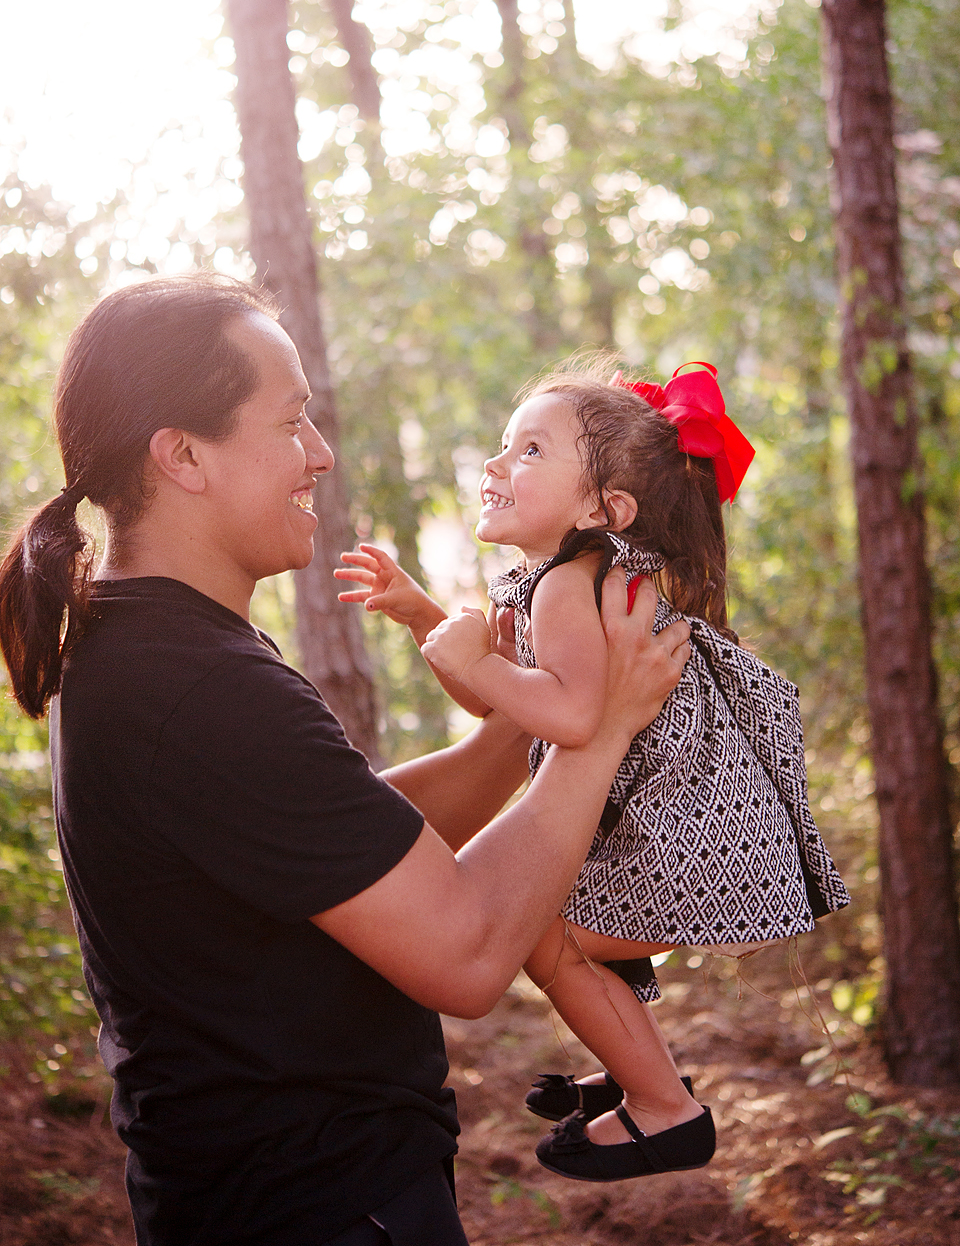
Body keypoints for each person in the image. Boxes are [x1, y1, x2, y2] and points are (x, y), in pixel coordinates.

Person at [0, 275, 692, 1245]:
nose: (320, 455)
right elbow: (465, 954)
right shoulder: (198, 689)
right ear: (183, 455)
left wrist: (518, 722)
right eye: (291, 423)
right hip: (316, 1209)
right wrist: (607, 725)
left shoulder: (150, 649)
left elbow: (350, 838)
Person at [335, 359, 850, 1184]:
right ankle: (631, 1065)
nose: (499, 465)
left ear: (603, 509)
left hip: (698, 847)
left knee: (544, 930)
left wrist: (480, 657)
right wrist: (428, 618)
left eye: (531, 451)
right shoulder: (563, 581)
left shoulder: (571, 587)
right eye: (505, 444)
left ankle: (666, 1110)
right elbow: (504, 709)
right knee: (558, 911)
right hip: (701, 841)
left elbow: (568, 716)